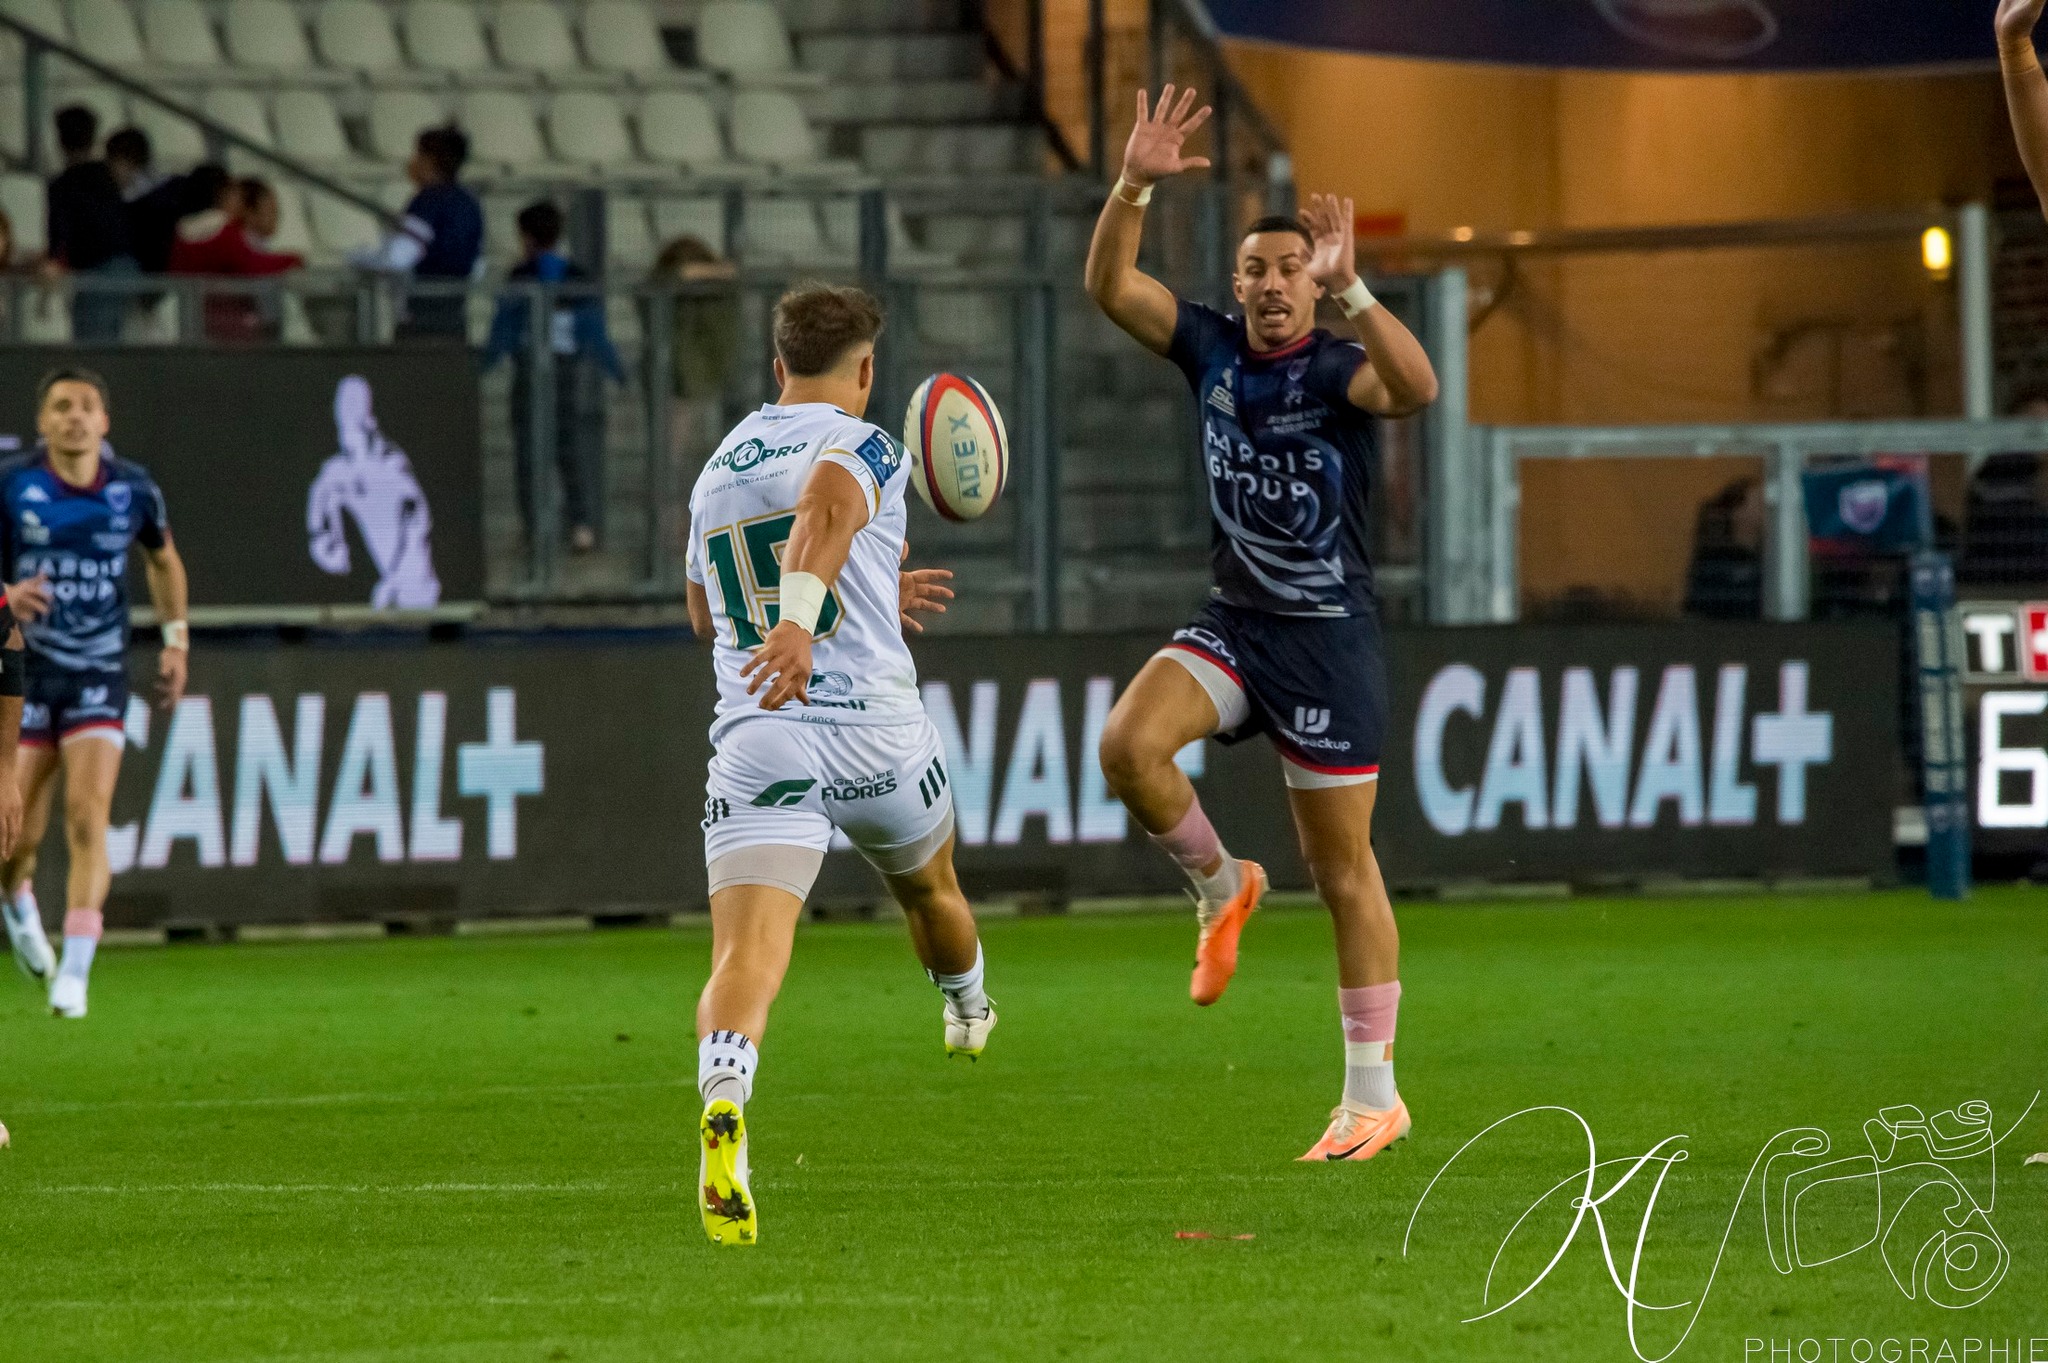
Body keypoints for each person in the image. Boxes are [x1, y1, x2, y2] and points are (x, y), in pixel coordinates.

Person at [1083, 86, 1440, 1163]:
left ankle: (1371, 1094)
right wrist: (1134, 181)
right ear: (1234, 285)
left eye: (1289, 269)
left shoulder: (1334, 370)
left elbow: (1416, 386)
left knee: (1343, 873)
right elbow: (1108, 286)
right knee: (1125, 747)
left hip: (1326, 639)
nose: (1271, 285)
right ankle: (1218, 881)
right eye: (1254, 270)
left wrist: (1357, 290)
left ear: (1309, 281)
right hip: (1236, 622)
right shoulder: (1208, 351)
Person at [683, 282, 977, 1245]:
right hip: (874, 734)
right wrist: (808, 619)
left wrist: (849, 594)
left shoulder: (718, 468)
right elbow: (823, 510)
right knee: (930, 890)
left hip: (763, 726)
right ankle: (966, 1003)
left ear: (777, 367)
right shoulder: (867, 440)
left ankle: (726, 1094)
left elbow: (704, 615)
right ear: (864, 371)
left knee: (746, 954)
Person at [0, 368, 188, 1019]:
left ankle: (76, 968)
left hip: (98, 674)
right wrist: (6, 596)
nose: (75, 417)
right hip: (23, 678)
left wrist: (176, 639)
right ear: (44, 421)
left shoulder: (132, 489)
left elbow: (163, 559)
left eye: (86, 406)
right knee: (14, 835)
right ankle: (17, 898)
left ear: (104, 421)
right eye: (61, 407)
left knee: (89, 813)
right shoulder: (14, 485)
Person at [482, 200, 623, 555]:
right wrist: (617, 370)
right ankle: (580, 526)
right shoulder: (575, 275)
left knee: (529, 452)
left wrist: (485, 364)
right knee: (568, 449)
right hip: (565, 370)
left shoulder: (521, 276)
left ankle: (534, 530)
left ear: (526, 236)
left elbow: (504, 329)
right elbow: (594, 332)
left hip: (530, 369)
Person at [307, 375, 441, 608]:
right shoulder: (339, 472)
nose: (348, 440)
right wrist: (323, 540)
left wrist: (395, 581)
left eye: (355, 429)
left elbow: (416, 523)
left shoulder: (394, 468)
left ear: (369, 425)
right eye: (344, 430)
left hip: (413, 589)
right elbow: (321, 493)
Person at [352, 125, 483, 341]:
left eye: (418, 155)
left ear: (430, 161)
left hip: (421, 319)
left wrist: (361, 259)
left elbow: (399, 258)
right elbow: (477, 264)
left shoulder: (427, 203)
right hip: (455, 318)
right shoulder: (469, 203)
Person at [169, 176, 305, 342]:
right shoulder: (222, 231)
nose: (276, 217)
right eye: (271, 211)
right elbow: (252, 267)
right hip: (191, 322)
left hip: (197, 315)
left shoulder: (219, 230)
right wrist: (294, 260)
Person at [43, 105, 138, 344]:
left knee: (94, 350)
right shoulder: (107, 176)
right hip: (127, 266)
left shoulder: (63, 186)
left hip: (98, 273)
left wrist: (52, 259)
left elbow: (58, 235)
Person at [1682, 476, 1764, 619]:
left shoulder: (1772, 562)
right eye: (1759, 504)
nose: (1767, 510)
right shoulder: (1715, 563)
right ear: (1737, 512)